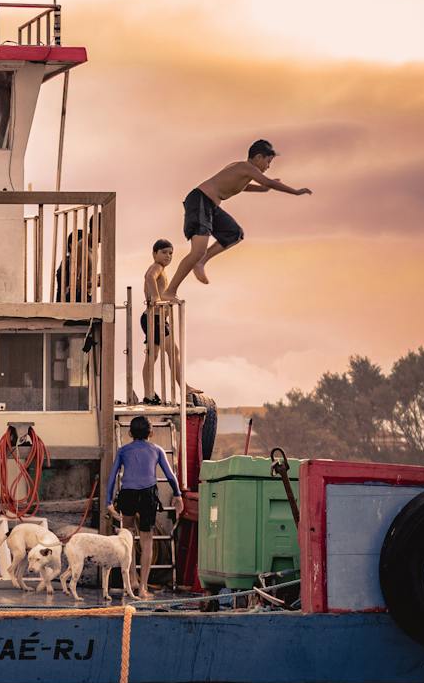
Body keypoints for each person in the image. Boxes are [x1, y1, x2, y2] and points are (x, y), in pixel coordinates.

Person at [168, 139, 312, 298]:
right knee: (197, 250)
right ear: (258, 157)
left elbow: (241, 186)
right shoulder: (246, 167)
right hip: (201, 201)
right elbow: (268, 181)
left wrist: (262, 190)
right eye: (268, 162)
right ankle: (170, 291)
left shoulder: (243, 171)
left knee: (234, 233)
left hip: (211, 206)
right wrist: (296, 192)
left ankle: (201, 262)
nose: (269, 167)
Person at [106, 414, 184, 599]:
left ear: (130, 433)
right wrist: (178, 495)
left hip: (128, 494)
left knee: (128, 538)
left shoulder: (123, 451)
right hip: (147, 494)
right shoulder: (157, 450)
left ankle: (132, 580)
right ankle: (142, 588)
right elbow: (171, 476)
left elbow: (112, 477)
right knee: (146, 541)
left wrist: (108, 502)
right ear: (152, 432)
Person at [140, 239, 180, 405]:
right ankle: (184, 387)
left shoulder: (162, 270)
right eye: (164, 252)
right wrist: (156, 298)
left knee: (152, 356)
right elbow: (149, 276)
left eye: (170, 253)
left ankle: (149, 394)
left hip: (155, 318)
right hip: (154, 318)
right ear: (154, 253)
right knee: (173, 352)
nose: (168, 256)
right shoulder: (156, 267)